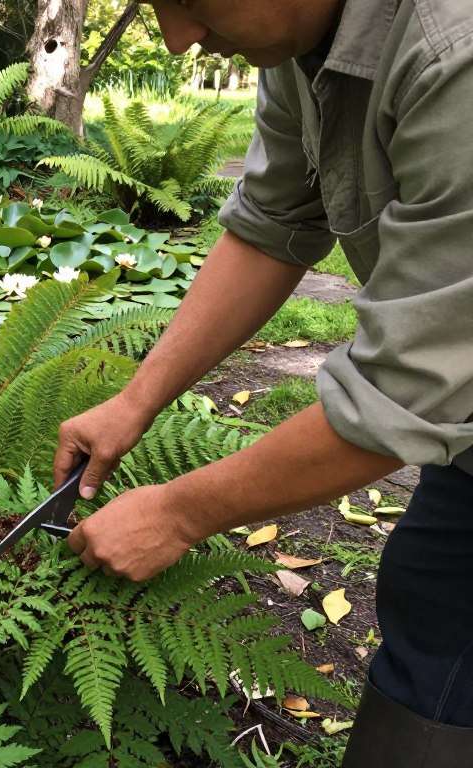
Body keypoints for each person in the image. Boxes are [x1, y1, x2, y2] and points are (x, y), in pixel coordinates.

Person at [52, 1, 473, 765]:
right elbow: (273, 225)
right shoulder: (296, 40)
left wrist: (178, 513)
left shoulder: (456, 53)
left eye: (191, 0)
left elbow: (404, 395)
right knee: (433, 601)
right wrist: (133, 403)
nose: (177, 38)